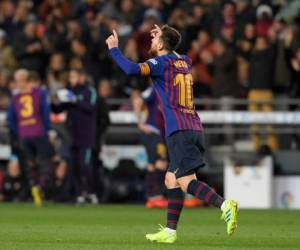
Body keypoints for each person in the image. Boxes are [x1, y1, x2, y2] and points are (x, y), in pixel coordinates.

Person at [106, 25, 239, 243]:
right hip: (193, 127)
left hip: (179, 130)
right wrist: (165, 34)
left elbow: (131, 70)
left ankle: (225, 205)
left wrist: (114, 49)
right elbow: (174, 49)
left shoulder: (159, 64)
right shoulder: (184, 61)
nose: (151, 40)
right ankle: (170, 231)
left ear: (161, 44)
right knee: (171, 179)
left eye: (155, 38)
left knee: (185, 181)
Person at [7, 69, 55, 207]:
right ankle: (40, 188)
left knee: (31, 163)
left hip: (24, 134)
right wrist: (48, 131)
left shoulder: (15, 98)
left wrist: (20, 132)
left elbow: (11, 120)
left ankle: (33, 186)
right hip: (38, 132)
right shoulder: (40, 93)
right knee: (47, 162)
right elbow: (45, 113)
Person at [132, 86, 167, 209]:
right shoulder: (155, 89)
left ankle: (153, 196)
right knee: (159, 162)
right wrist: (140, 123)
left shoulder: (168, 89)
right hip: (152, 132)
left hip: (159, 133)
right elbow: (137, 101)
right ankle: (154, 196)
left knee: (154, 163)